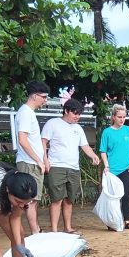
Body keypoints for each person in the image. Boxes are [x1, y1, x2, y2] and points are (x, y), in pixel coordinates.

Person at [41, 98, 100, 233]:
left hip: (74, 168)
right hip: (56, 166)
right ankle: (55, 230)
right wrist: (45, 160)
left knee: (69, 199)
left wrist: (93, 155)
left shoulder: (78, 128)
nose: (77, 116)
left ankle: (68, 227)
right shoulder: (52, 123)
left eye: (79, 114)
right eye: (75, 113)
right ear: (66, 111)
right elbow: (43, 142)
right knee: (56, 199)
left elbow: (84, 146)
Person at [15, 81, 50, 235]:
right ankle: (35, 232)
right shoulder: (25, 113)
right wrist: (38, 160)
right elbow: (22, 140)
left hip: (32, 162)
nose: (45, 100)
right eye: (43, 97)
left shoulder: (29, 113)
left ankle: (36, 230)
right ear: (35, 96)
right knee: (29, 200)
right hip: (29, 163)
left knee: (32, 200)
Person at [99, 104, 129, 229]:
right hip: (112, 171)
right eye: (119, 117)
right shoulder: (107, 132)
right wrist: (106, 166)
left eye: (124, 117)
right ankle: (112, 222)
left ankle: (126, 220)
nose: (122, 119)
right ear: (113, 117)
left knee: (125, 195)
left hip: (126, 169)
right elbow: (103, 151)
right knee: (112, 197)